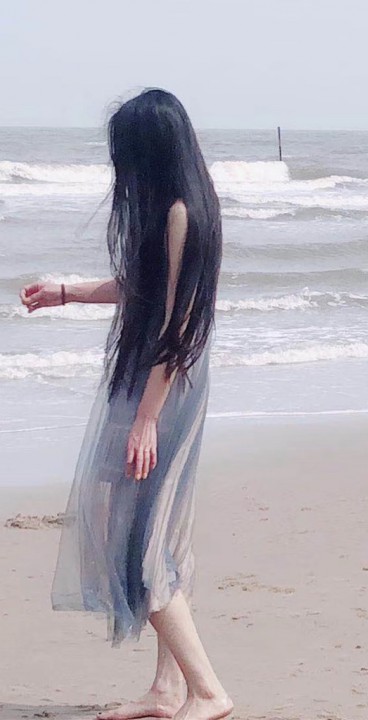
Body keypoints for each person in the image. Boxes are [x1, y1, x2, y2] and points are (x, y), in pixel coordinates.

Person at [19, 88, 232, 720]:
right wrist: (66, 292)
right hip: (163, 375)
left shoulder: (181, 213)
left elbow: (178, 325)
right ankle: (168, 689)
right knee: (159, 532)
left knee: (136, 540)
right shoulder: (185, 204)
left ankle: (208, 692)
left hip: (163, 381)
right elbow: (146, 290)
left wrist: (145, 417)